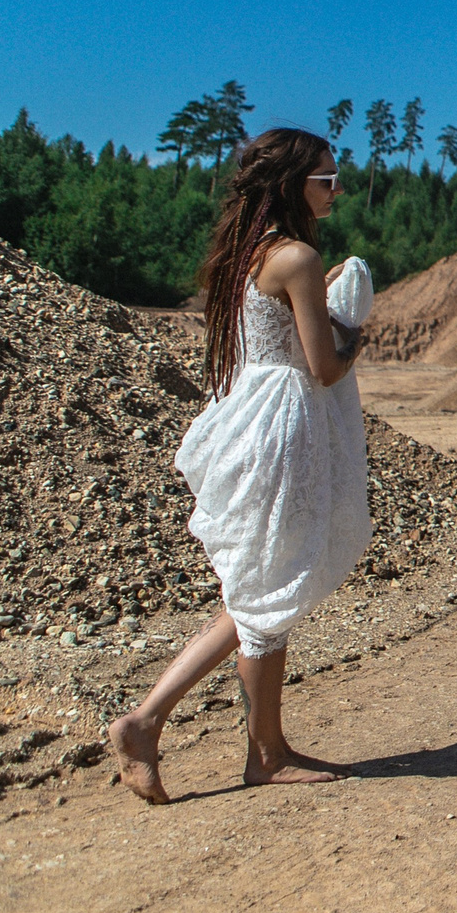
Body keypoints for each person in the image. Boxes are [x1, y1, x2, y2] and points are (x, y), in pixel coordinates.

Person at [108, 128, 371, 805]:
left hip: (244, 417)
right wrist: (354, 331)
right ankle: (244, 747)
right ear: (292, 185)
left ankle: (189, 731)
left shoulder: (247, 254)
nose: (335, 188)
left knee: (257, 591)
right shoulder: (299, 257)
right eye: (326, 178)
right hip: (283, 427)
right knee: (263, 592)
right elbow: (322, 366)